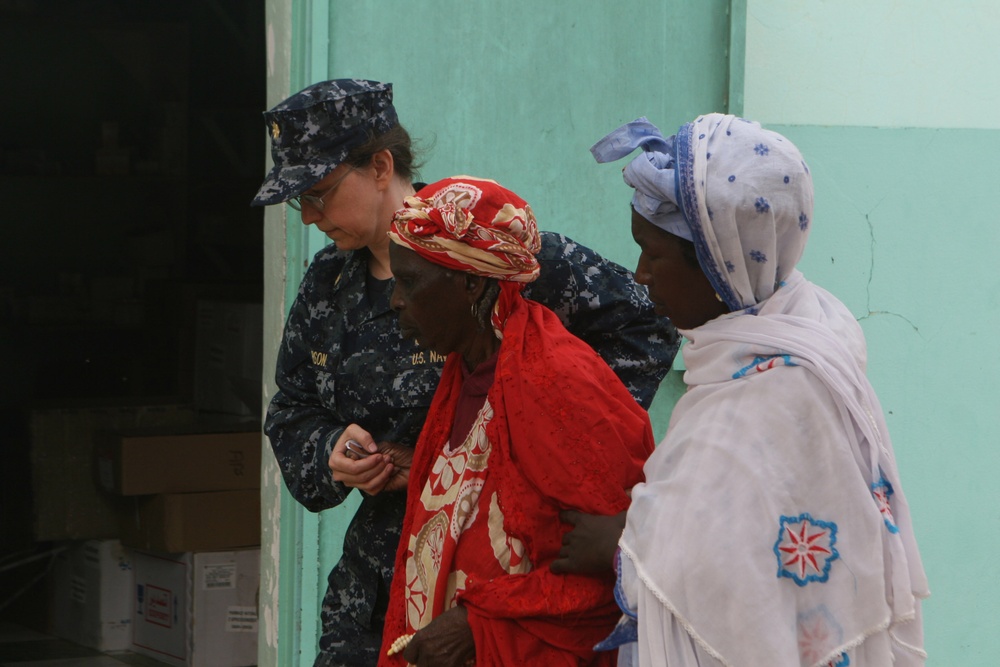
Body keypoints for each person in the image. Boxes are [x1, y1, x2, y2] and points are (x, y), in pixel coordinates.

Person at [252, 79, 678, 667]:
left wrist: (534, 436)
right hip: (381, 578)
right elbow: (292, 407)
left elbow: (645, 325)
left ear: (380, 166)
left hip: (499, 590)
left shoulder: (493, 248)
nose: (307, 216)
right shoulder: (329, 285)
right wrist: (332, 450)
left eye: (319, 193)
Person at [554, 115, 930, 666]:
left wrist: (619, 549)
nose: (639, 274)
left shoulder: (767, 392)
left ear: (718, 265)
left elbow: (722, 574)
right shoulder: (804, 326)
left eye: (653, 254)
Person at [375, 176, 656, 667]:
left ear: (471, 282)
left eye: (411, 281)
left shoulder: (557, 382)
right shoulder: (464, 371)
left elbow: (607, 574)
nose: (396, 300)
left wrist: (479, 624)